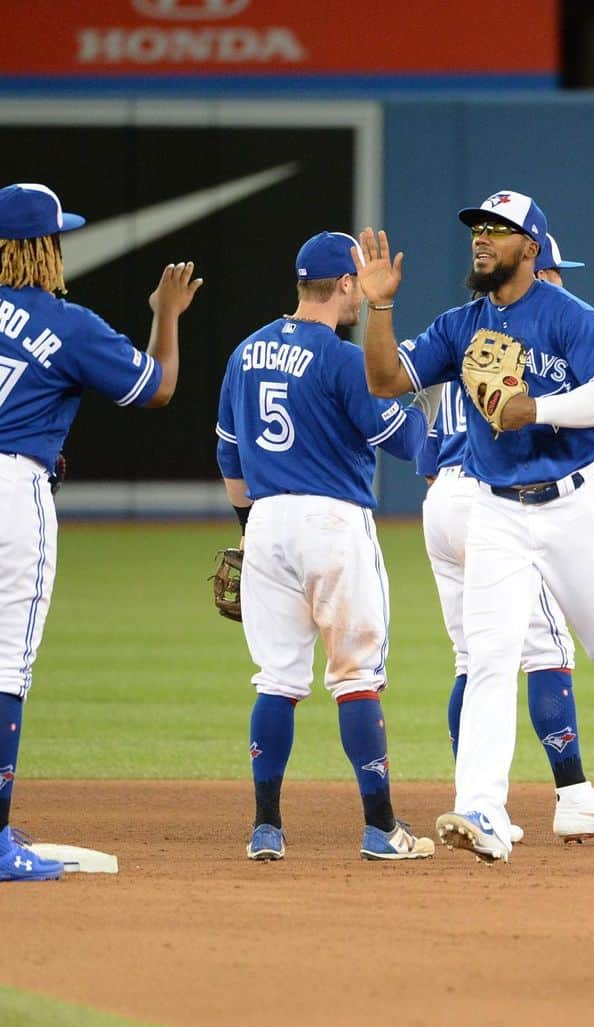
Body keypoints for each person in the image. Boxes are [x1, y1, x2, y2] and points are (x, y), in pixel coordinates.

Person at [0, 182, 203, 882]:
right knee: (0, 665)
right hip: (2, 486)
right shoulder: (65, 320)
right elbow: (157, 386)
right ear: (43, 247)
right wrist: (165, 315)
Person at [353, 191, 594, 864]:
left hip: (573, 503)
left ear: (530, 248)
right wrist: (379, 305)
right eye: (477, 227)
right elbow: (386, 378)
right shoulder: (458, 325)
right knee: (490, 659)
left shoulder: (569, 316)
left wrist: (535, 409)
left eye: (498, 230)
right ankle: (482, 809)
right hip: (497, 508)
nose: (482, 238)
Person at [414, 230, 594, 842]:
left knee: (476, 658)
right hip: (492, 496)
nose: (560, 282)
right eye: (557, 271)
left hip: (443, 496)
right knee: (542, 650)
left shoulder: (466, 336)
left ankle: (480, 801)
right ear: (537, 267)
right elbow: (585, 395)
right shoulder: (531, 334)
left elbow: (413, 432)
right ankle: (568, 794)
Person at [215, 230, 440, 863]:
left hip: (266, 522)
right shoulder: (344, 359)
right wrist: (430, 427)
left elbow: (229, 453)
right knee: (356, 678)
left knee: (277, 680)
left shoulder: (246, 352)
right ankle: (381, 828)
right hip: (332, 524)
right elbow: (396, 435)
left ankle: (266, 828)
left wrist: (246, 524)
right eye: (354, 287)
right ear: (346, 285)